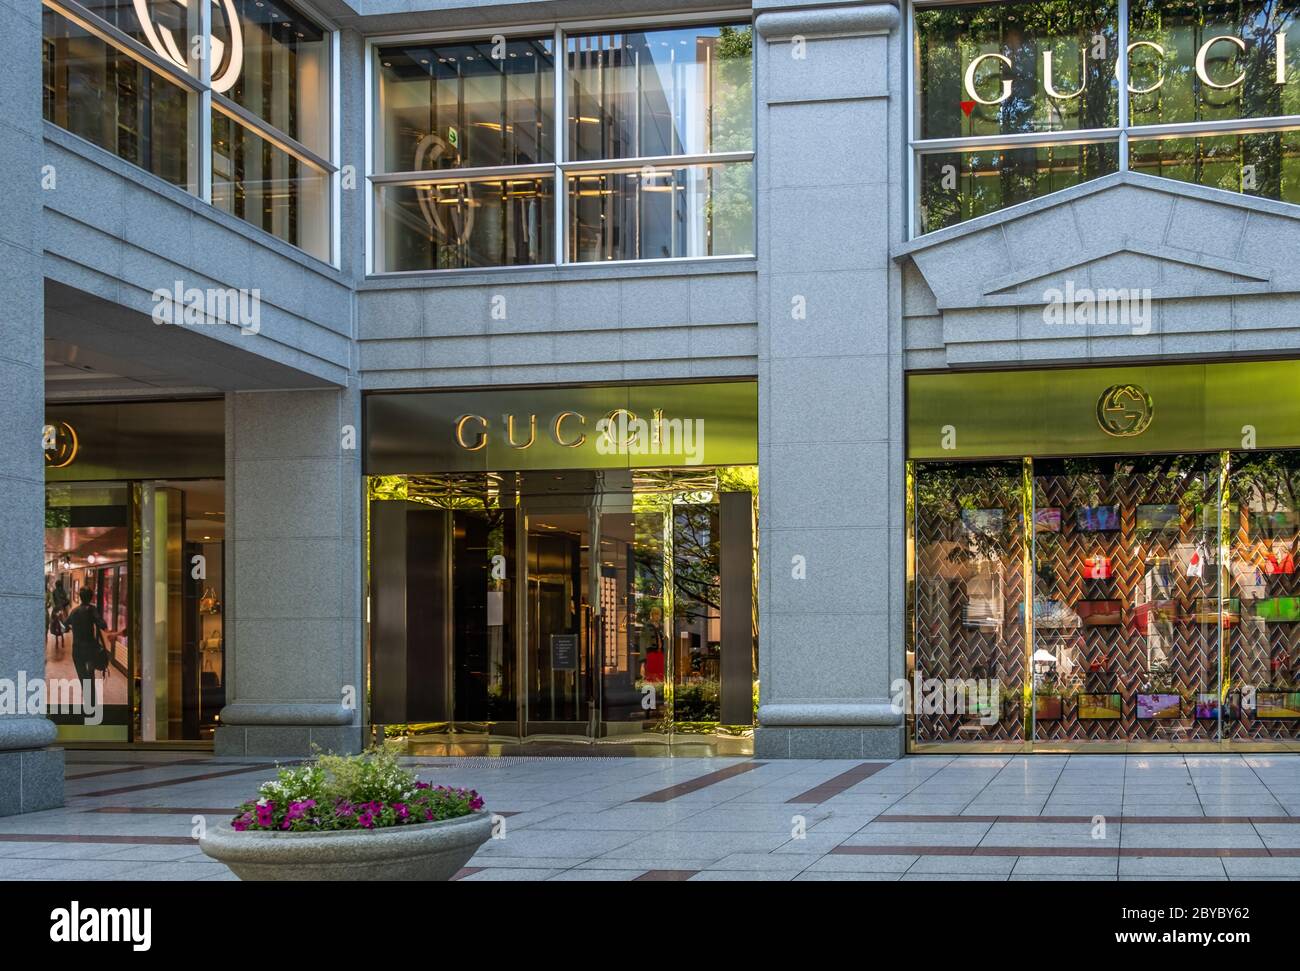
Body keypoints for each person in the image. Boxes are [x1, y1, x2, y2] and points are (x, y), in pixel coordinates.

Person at [67, 587, 107, 711]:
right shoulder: (92, 610)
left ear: (80, 596)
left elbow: (65, 625)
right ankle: (92, 705)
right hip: (89, 651)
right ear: (91, 597)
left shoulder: (74, 611)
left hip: (77, 651)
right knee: (90, 676)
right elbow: (103, 625)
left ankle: (88, 704)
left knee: (83, 677)